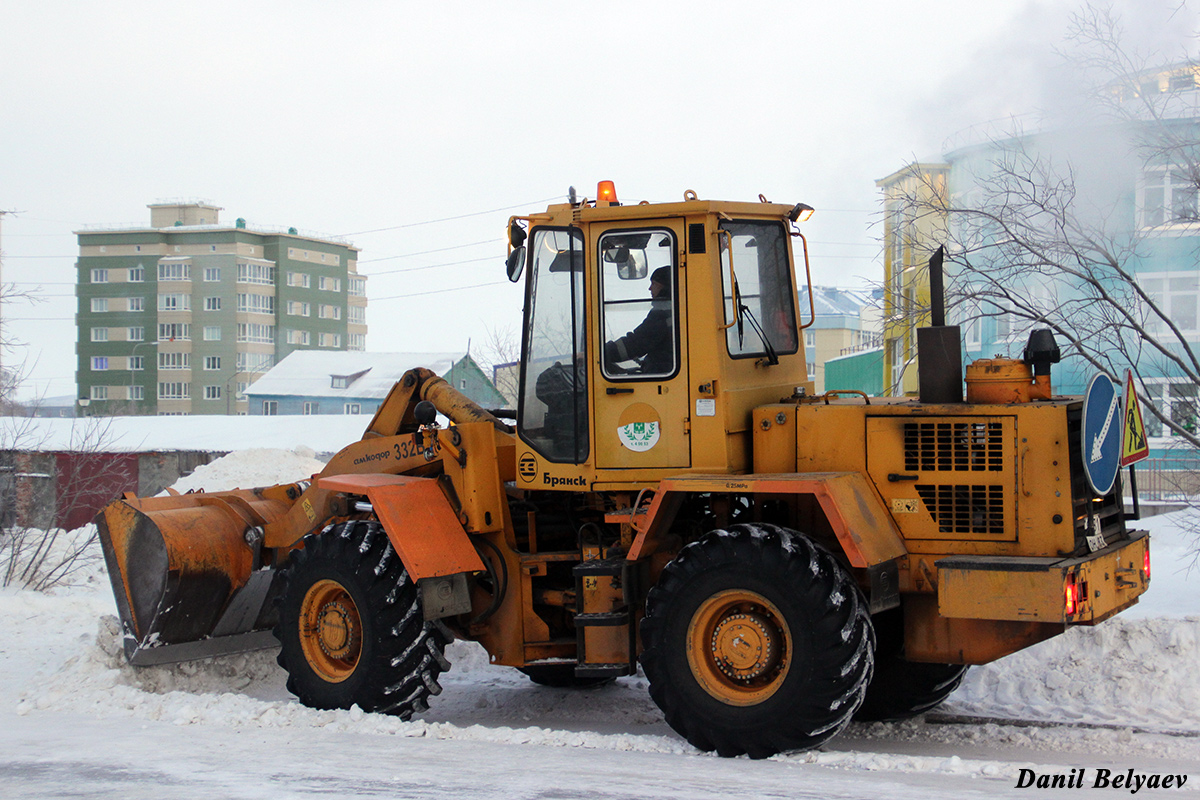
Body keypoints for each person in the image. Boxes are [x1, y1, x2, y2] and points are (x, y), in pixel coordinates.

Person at [604, 265, 674, 375]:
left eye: (654, 284)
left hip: (662, 377)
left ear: (665, 287)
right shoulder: (675, 311)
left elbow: (636, 344)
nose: (650, 288)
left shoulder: (663, 314)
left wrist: (598, 354)